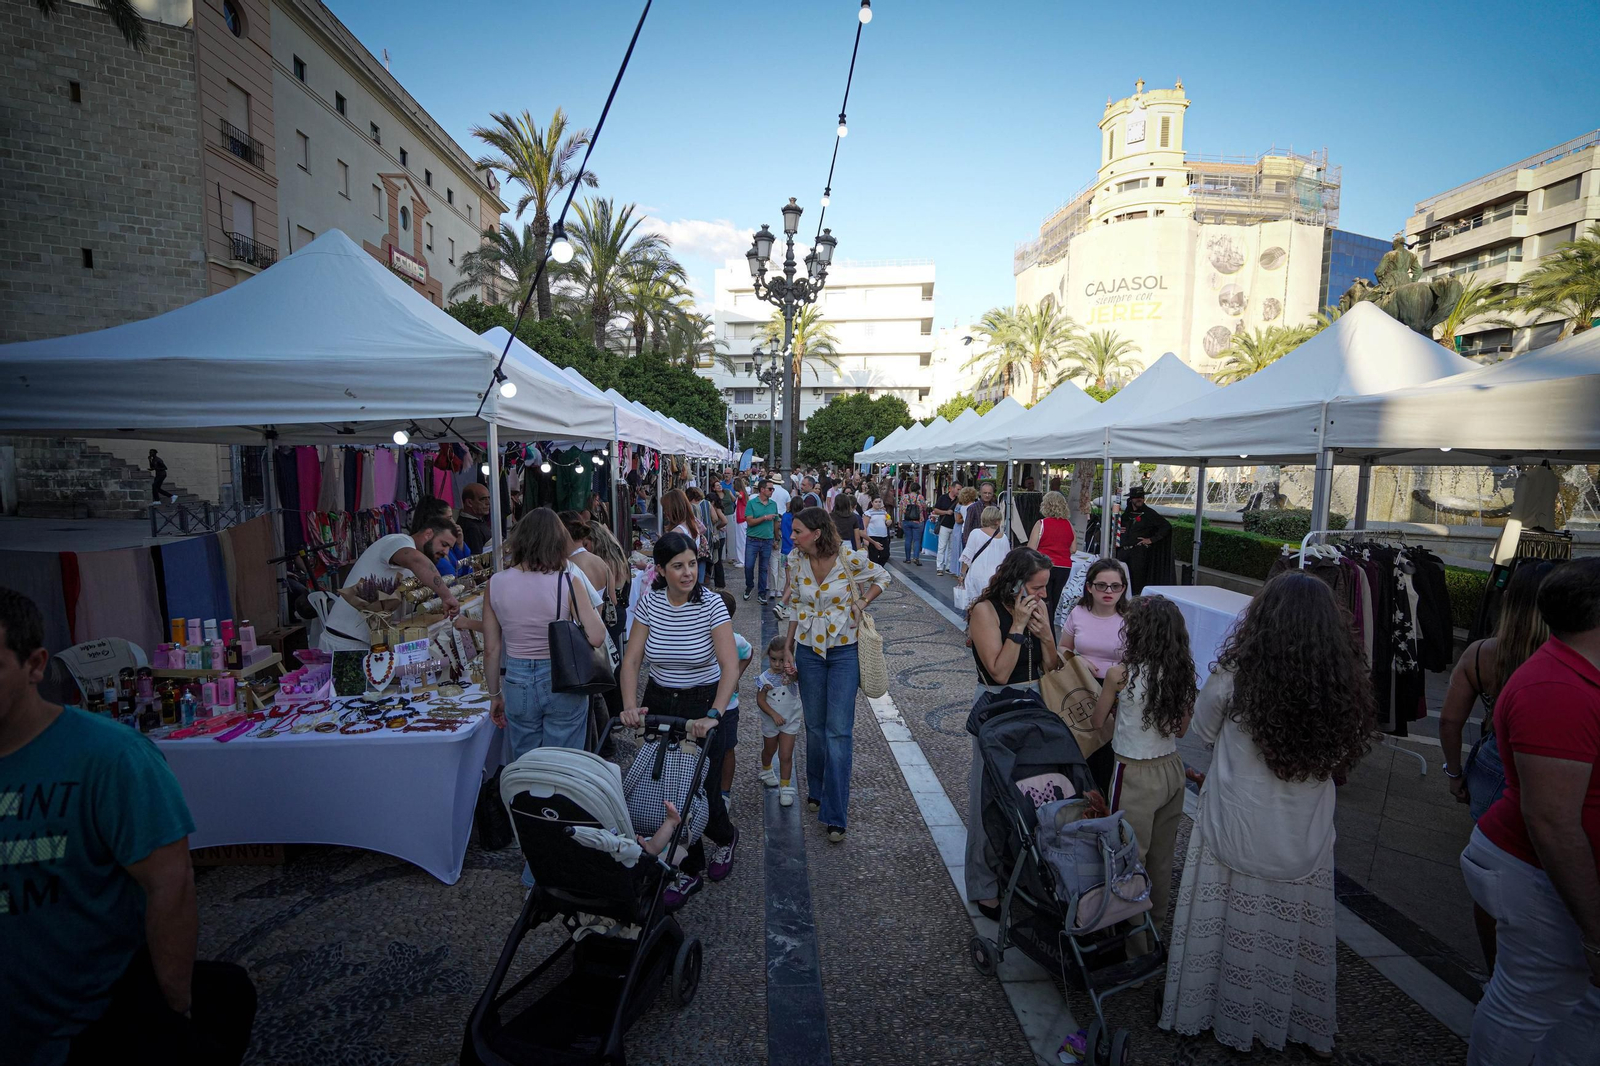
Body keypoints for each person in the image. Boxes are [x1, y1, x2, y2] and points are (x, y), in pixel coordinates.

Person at [0, 587, 256, 1066]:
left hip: (87, 1022)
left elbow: (170, 883)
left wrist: (173, 1008)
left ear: (35, 665)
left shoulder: (110, 758)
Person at [1160, 573, 1375, 1058]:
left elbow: (1205, 728)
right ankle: (1285, 1011)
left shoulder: (1237, 670)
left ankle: (1214, 1006)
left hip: (1237, 815)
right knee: (1288, 933)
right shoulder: (1345, 679)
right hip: (1303, 827)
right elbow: (1343, 751)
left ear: (1261, 617)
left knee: (1227, 920)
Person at [1461, 558, 1600, 1064]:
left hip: (1534, 866)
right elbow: (1553, 821)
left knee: (1564, 1005)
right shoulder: (1557, 689)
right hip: (1536, 874)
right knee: (1526, 1002)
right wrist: (1595, 929)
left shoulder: (1566, 674)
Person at [1440, 562, 1554, 968]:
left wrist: (1455, 773)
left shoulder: (1483, 654)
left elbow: (1451, 720)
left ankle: (1495, 968)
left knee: (1492, 876)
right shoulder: (1568, 659)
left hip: (1493, 766)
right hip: (1550, 772)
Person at [619, 533, 742, 898]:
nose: (688, 573)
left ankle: (725, 836)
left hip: (701, 701)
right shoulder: (650, 604)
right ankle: (688, 864)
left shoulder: (712, 606)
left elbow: (730, 666)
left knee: (701, 786)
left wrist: (714, 713)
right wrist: (629, 704)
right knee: (663, 783)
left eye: (691, 563)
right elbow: (632, 660)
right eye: (678, 566)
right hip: (659, 698)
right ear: (660, 570)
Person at [1090, 594, 1197, 956]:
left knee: (1128, 862)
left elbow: (1096, 721)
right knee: (1162, 860)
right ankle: (1157, 933)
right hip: (1171, 770)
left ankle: (1135, 949)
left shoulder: (1120, 675)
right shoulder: (1183, 676)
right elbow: (1181, 730)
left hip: (1132, 771)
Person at [782, 506, 892, 843]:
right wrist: (787, 647)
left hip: (845, 651)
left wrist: (862, 604)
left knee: (838, 732)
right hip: (808, 651)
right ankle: (816, 787)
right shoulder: (794, 560)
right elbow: (795, 607)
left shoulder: (848, 556)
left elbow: (882, 577)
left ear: (815, 534)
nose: (792, 536)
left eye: (797, 531)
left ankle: (835, 813)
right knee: (814, 728)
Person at [965, 548, 1059, 918]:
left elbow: (1050, 667)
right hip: (996, 707)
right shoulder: (984, 611)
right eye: (1038, 588)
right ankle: (983, 882)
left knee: (1032, 794)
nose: (1043, 596)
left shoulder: (1039, 608)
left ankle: (1018, 875)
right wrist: (1018, 627)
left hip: (1035, 702)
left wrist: (1047, 635)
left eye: (1045, 589)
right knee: (987, 796)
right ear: (1017, 583)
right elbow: (999, 673)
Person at [483, 508, 607, 764]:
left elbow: (492, 650)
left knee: (526, 762)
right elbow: (596, 637)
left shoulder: (495, 583)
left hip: (516, 679)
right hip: (562, 677)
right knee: (563, 762)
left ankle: (527, 803)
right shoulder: (569, 581)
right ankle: (558, 803)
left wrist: (495, 695)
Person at [319, 516, 460, 651]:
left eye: (449, 548)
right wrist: (447, 596)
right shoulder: (398, 541)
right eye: (444, 544)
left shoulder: (412, 560)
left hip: (367, 644)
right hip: (345, 642)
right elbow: (416, 560)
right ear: (428, 533)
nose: (446, 552)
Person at [1058, 558, 1130, 789]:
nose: (1108, 591)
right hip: (1082, 687)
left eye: (1115, 586)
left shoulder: (1131, 618)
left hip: (1120, 693)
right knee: (1084, 744)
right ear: (1089, 587)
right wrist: (1077, 659)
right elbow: (1063, 648)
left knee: (1112, 751)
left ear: (1123, 588)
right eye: (1101, 585)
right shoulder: (1078, 613)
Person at [756, 636, 802, 807]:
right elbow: (760, 700)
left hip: (790, 720)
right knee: (769, 749)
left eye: (781, 660)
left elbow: (797, 679)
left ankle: (785, 786)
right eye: (773, 659)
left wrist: (792, 674)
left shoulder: (792, 674)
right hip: (771, 722)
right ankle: (767, 768)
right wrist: (773, 714)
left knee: (785, 754)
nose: (777, 664)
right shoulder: (764, 678)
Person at [1028, 490, 1078, 620]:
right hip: (1064, 568)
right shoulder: (1068, 525)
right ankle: (1050, 630)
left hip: (1044, 567)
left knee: (1043, 602)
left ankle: (1044, 631)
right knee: (1054, 602)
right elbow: (1073, 549)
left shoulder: (1041, 524)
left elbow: (1031, 549)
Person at [1116, 486, 1175, 593]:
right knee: (1120, 578)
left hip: (1138, 553)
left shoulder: (1149, 513)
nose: (1140, 499)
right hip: (1123, 551)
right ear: (1131, 499)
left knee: (1137, 581)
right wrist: (1118, 528)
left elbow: (1166, 526)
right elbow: (1118, 527)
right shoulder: (1127, 513)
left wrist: (1151, 540)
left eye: (1142, 497)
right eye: (1137, 497)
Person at [958, 506, 1006, 611]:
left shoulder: (976, 533)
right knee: (992, 608)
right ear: (998, 520)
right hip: (995, 578)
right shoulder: (1004, 537)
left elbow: (967, 556)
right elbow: (1006, 561)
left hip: (977, 575)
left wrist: (962, 574)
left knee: (974, 607)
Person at [744, 480, 780, 604]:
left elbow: (776, 522)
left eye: (772, 489)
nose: (772, 491)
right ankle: (749, 586)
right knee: (748, 566)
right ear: (762, 489)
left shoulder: (773, 504)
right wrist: (765, 518)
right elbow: (750, 522)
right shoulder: (751, 503)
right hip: (752, 539)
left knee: (764, 568)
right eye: (770, 489)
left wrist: (776, 539)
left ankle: (761, 592)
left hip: (767, 540)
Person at [950, 486, 977, 579]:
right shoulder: (975, 506)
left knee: (966, 554)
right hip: (972, 532)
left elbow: (958, 520)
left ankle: (963, 573)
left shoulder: (962, 507)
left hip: (963, 531)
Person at [458, 482, 493, 554]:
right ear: (469, 502)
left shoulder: (478, 520)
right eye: (483, 499)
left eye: (488, 498)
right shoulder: (471, 528)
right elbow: (476, 560)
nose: (488, 503)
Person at [932, 483, 958, 575]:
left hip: (955, 526)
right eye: (958, 489)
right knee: (941, 547)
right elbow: (935, 510)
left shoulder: (959, 500)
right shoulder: (943, 498)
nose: (959, 491)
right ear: (952, 489)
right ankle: (939, 567)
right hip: (944, 525)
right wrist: (946, 512)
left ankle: (948, 567)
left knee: (952, 548)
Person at [863, 497, 892, 566]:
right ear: (872, 503)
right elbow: (864, 526)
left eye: (879, 502)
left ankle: (879, 567)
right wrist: (865, 538)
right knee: (873, 557)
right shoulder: (868, 513)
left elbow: (887, 520)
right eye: (876, 502)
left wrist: (889, 522)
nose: (878, 504)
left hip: (884, 536)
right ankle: (875, 570)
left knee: (885, 555)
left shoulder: (884, 512)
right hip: (873, 536)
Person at [901, 488, 925, 565]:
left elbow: (901, 509)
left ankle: (908, 559)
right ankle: (916, 558)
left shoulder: (904, 497)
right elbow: (924, 507)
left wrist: (900, 520)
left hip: (907, 520)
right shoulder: (920, 497)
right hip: (918, 521)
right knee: (917, 540)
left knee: (908, 539)